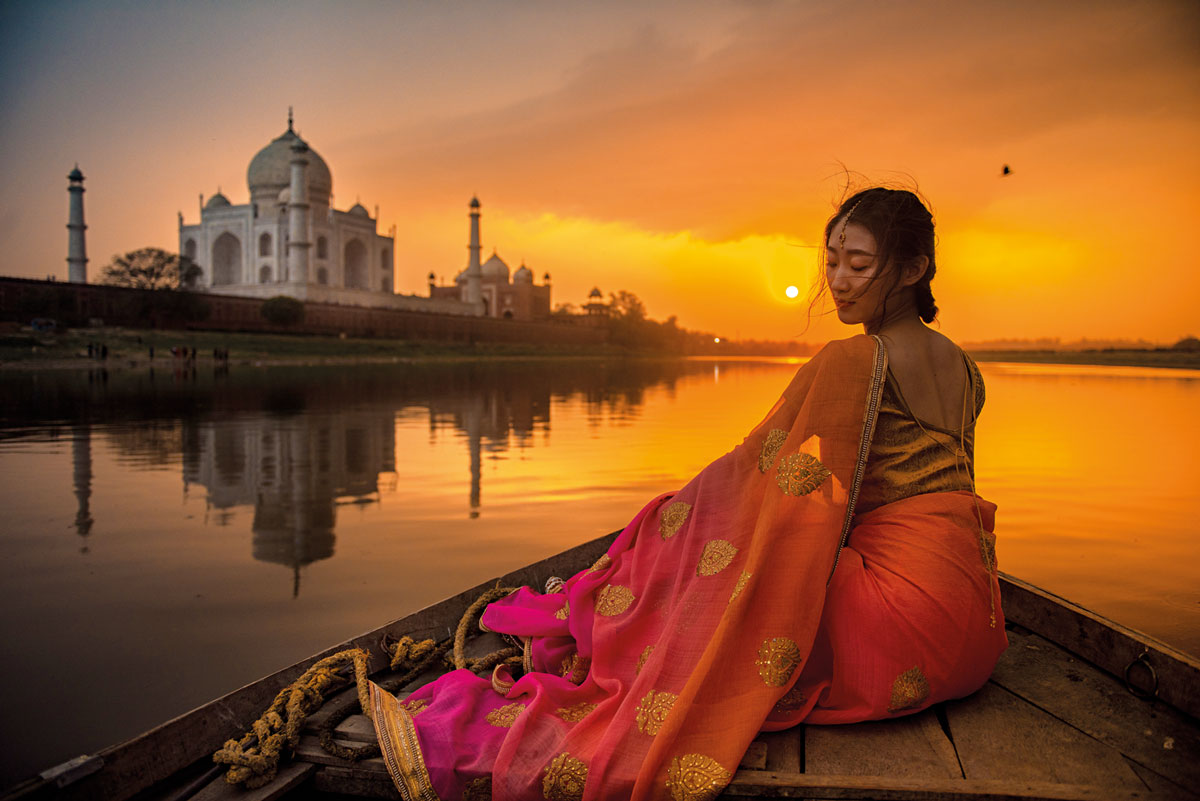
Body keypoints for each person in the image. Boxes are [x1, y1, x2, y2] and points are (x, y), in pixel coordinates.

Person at [369, 187, 1007, 801]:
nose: (838, 280)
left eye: (859, 265)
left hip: (897, 628)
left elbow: (772, 478)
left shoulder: (856, 360)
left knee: (706, 547)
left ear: (914, 269)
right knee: (732, 538)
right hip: (973, 630)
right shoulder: (964, 366)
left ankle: (609, 608)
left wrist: (672, 522)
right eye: (832, 261)